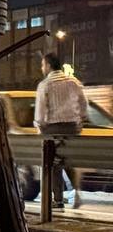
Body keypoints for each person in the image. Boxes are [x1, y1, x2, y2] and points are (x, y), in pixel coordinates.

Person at [35, 52, 87, 208]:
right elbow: (84, 105)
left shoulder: (45, 85)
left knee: (53, 163)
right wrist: (80, 120)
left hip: (52, 128)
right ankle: (77, 192)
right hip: (72, 128)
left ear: (49, 66)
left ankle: (57, 199)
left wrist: (40, 125)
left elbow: (40, 113)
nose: (42, 67)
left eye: (43, 64)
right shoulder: (74, 82)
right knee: (69, 160)